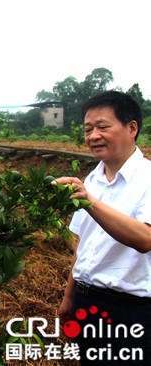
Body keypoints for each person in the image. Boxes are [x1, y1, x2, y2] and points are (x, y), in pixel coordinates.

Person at [57, 91, 151, 365]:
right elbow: (84, 244)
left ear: (131, 128)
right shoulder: (93, 179)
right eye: (88, 129)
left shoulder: (147, 179)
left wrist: (89, 201)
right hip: (87, 302)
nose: (93, 135)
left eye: (102, 127)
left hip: (130, 310)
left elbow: (145, 238)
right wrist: (69, 296)